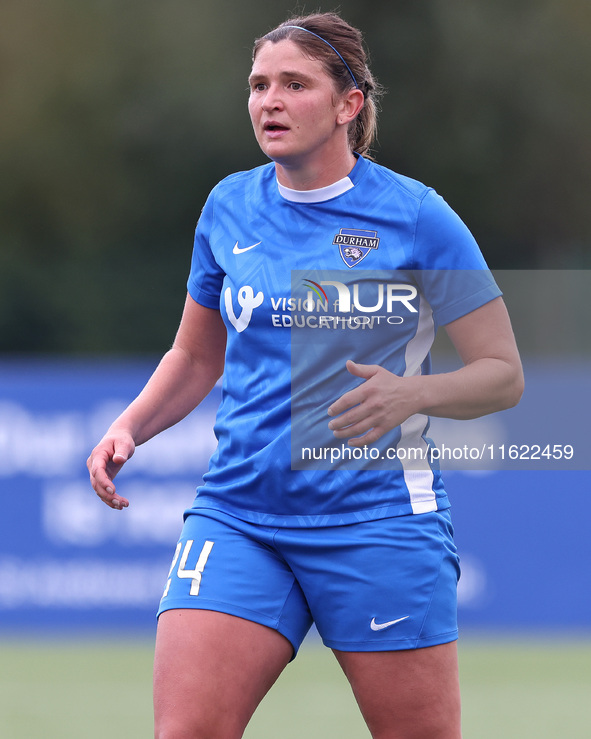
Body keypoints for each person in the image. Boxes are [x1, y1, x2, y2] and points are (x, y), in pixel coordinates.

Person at [88, 12, 523, 739]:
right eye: (258, 84)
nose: (269, 101)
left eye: (294, 84)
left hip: (379, 522)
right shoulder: (229, 204)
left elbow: (501, 375)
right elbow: (197, 356)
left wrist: (410, 393)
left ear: (349, 103)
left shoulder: (416, 216)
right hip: (240, 514)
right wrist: (129, 426)